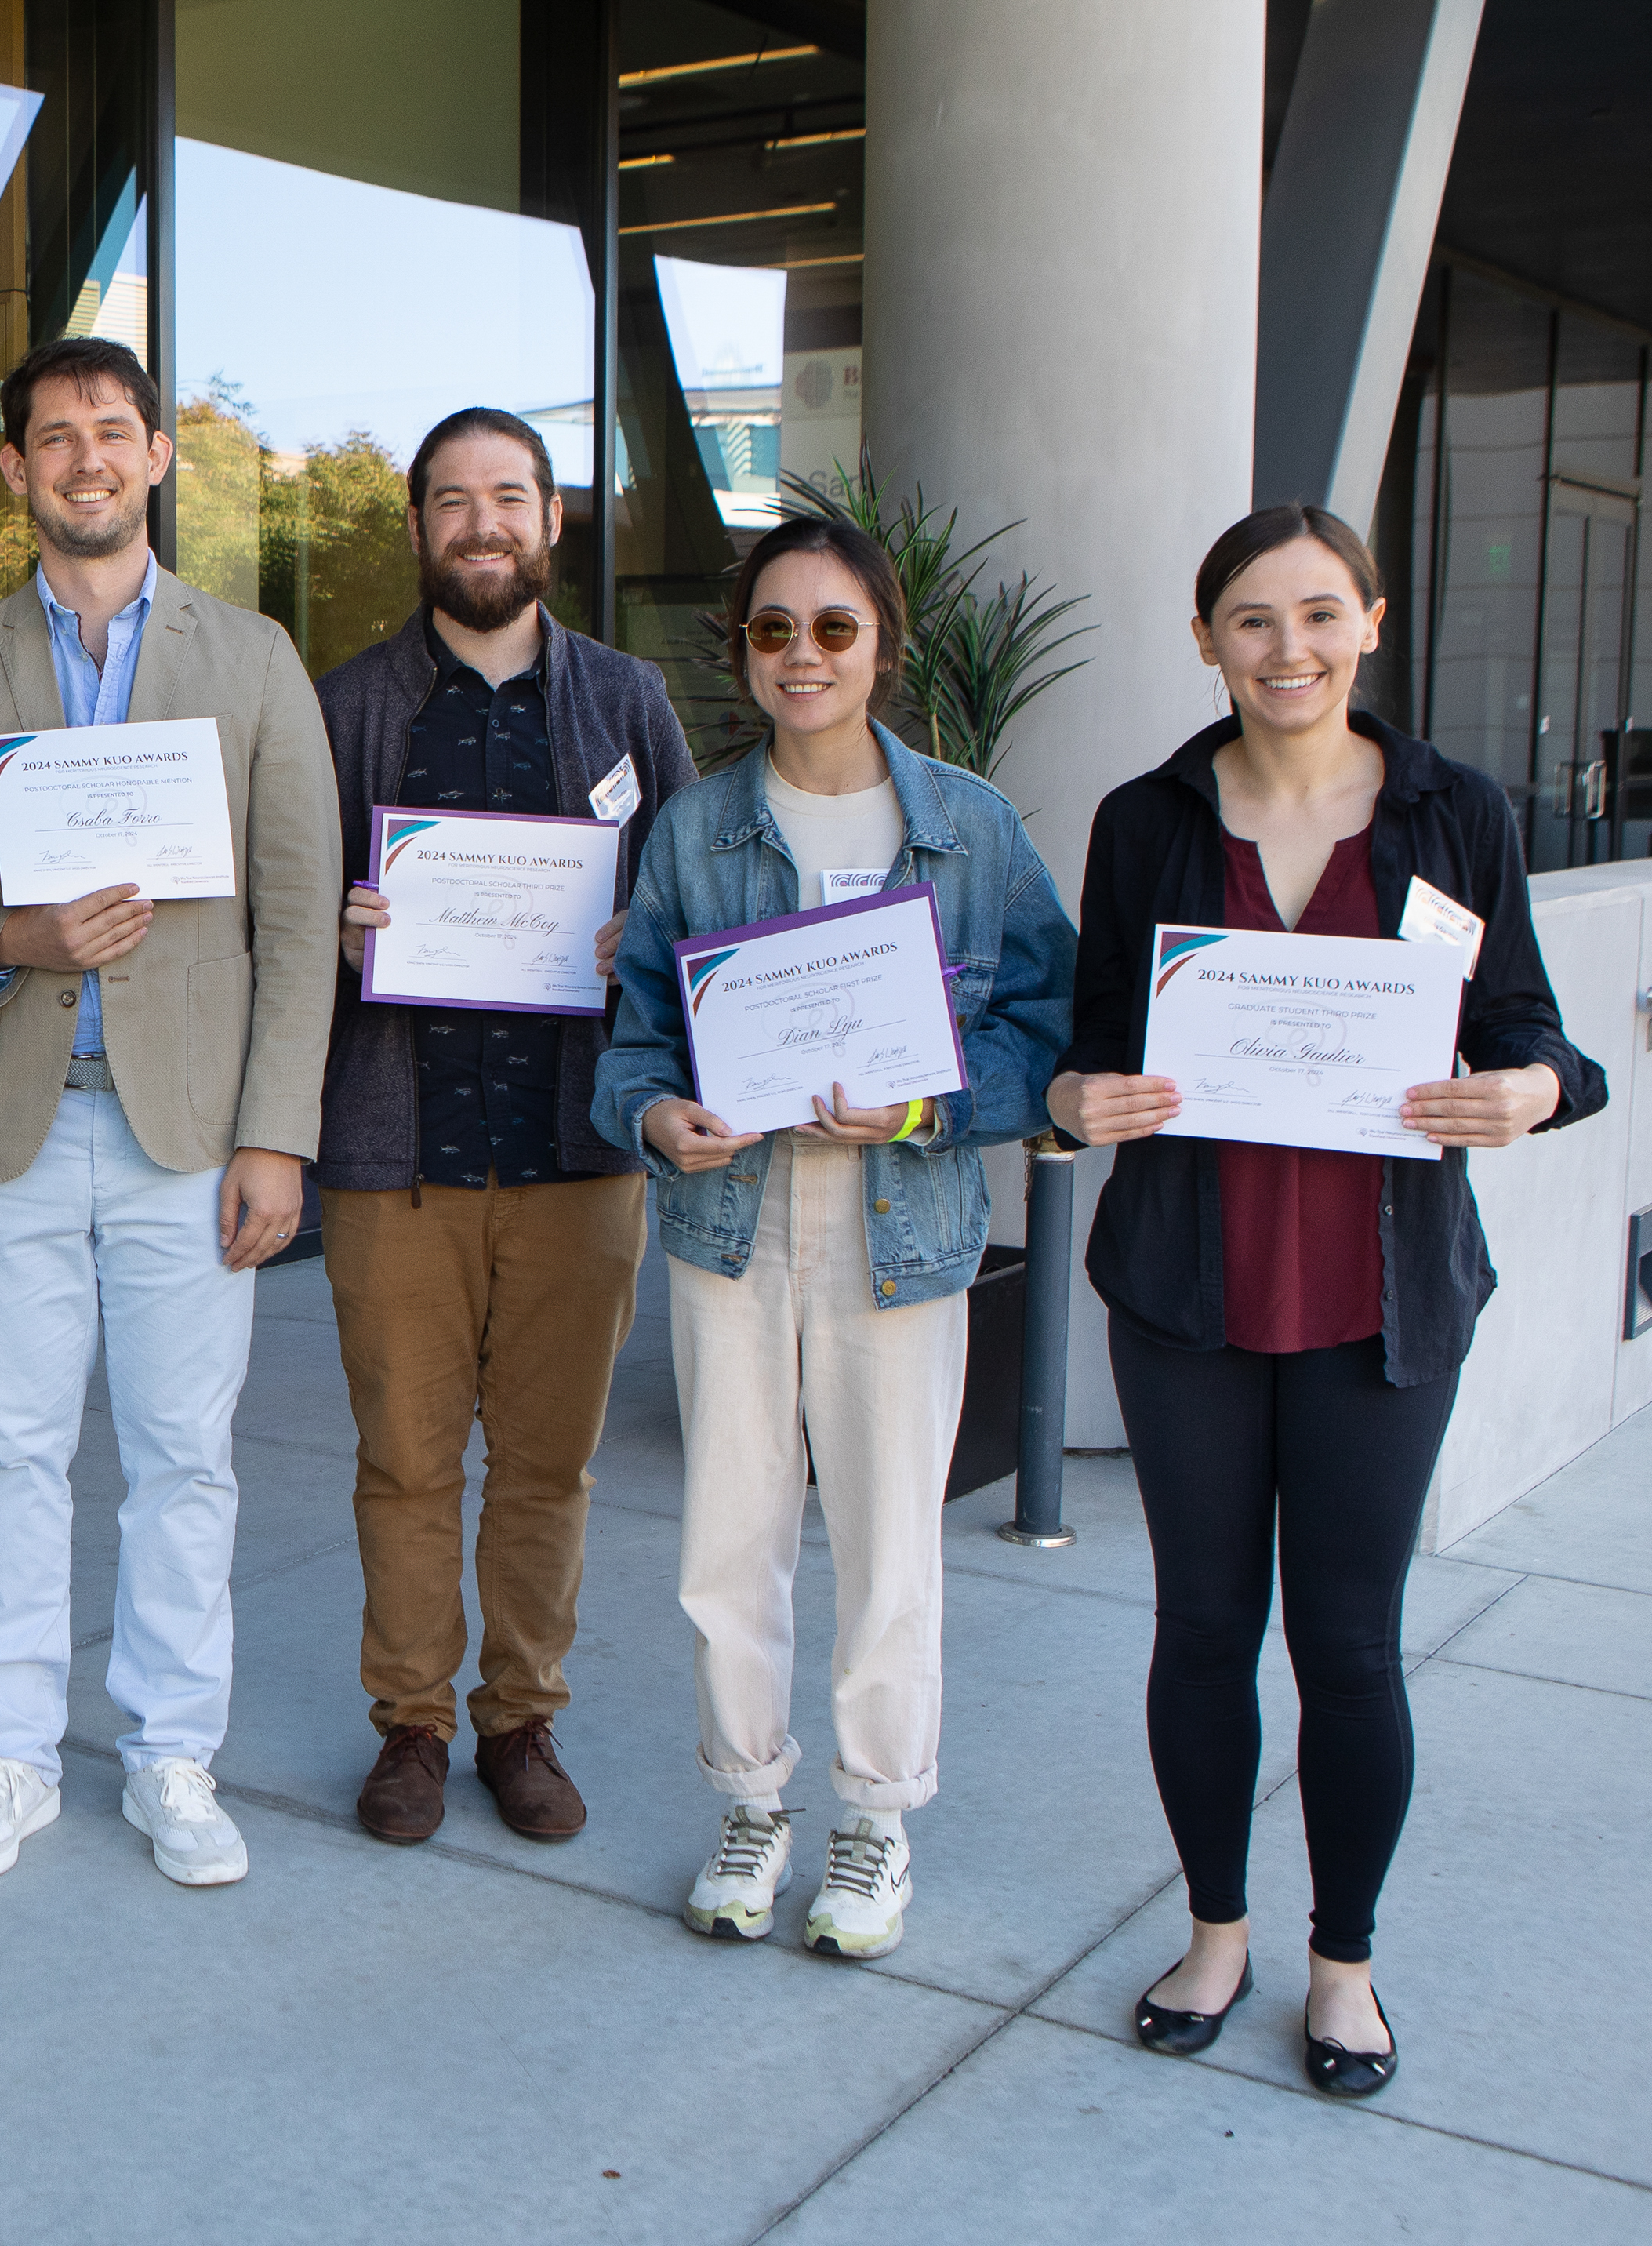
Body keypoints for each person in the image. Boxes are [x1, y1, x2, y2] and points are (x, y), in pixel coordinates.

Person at [1051, 505, 1601, 2097]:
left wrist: (1531, 1092)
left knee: (1352, 1647)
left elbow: (1539, 1032)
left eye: (1314, 615)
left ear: (1369, 620)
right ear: (1207, 640)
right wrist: (1079, 1096)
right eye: (1248, 619)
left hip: (1381, 1301)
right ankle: (1217, 1932)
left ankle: (1341, 1961)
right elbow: (1087, 1041)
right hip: (1188, 1292)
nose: (1284, 648)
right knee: (1204, 1630)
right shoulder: (1147, 818)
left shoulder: (1454, 813)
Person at [0, 336, 339, 1889]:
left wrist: (279, 1131)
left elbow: (297, 903)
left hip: (191, 1134)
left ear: (155, 459)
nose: (84, 459)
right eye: (54, 437)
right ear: (16, 471)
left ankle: (172, 1757)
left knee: (186, 1456)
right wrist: (16, 940)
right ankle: (7, 1757)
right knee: (8, 1447)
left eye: (112, 432)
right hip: (14, 1119)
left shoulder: (252, 658)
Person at [592, 513, 1073, 1961]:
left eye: (834, 628)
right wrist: (660, 1118)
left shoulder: (972, 828)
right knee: (728, 1540)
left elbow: (1043, 1035)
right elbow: (633, 1047)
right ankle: (750, 1799)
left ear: (884, 642)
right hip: (731, 1219)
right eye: (773, 630)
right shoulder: (695, 827)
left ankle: (873, 1821)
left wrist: (928, 1112)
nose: (803, 656)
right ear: (744, 650)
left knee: (887, 1540)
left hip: (902, 1224)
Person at [314, 407, 695, 1846]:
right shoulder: (343, 705)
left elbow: (686, 909)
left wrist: (634, 947)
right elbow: (280, 917)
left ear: (550, 523)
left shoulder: (628, 704)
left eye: (511, 497)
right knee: (403, 1464)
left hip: (575, 1153)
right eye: (455, 500)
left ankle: (521, 1719)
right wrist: (337, 938)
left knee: (548, 1466)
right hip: (395, 1154)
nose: (484, 524)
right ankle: (410, 1724)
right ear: (418, 527)